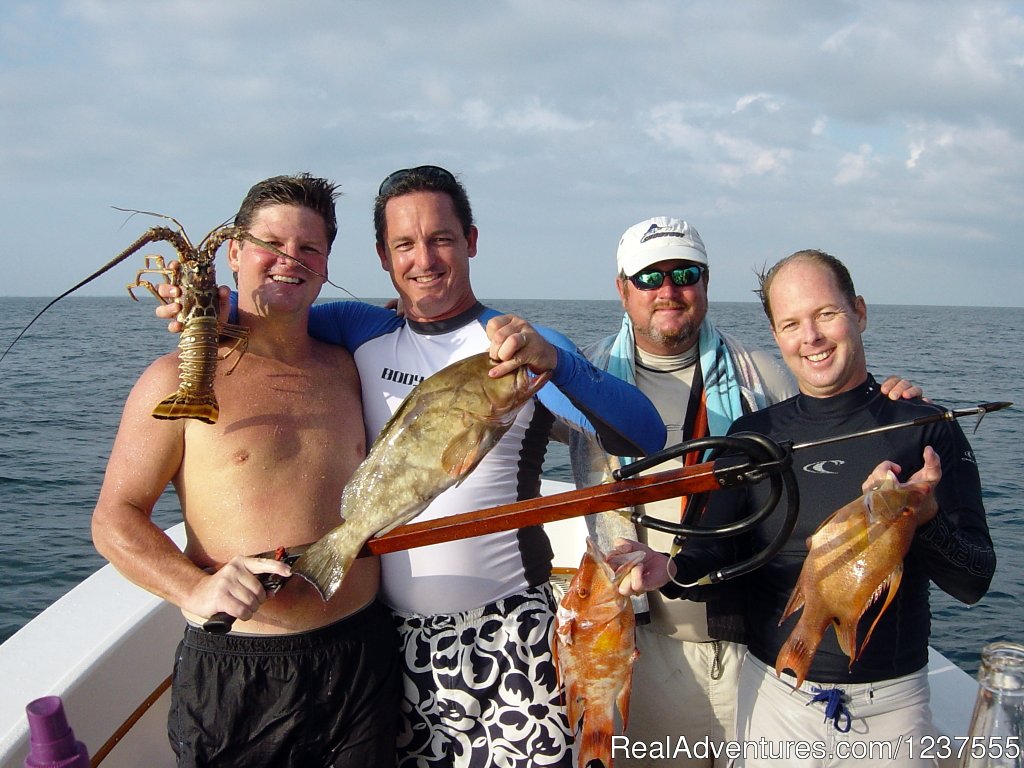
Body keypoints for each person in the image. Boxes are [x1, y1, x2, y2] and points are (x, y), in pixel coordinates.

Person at [160, 165, 667, 768]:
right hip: (389, 647)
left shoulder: (517, 349)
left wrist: (557, 361)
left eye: (442, 239)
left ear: (471, 241)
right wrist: (210, 310)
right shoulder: (358, 330)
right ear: (381, 255)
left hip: (511, 635)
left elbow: (644, 434)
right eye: (404, 243)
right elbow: (275, 321)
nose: (423, 258)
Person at [613, 249, 995, 767]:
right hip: (774, 696)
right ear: (775, 335)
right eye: (791, 323)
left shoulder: (926, 428)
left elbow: (974, 581)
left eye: (827, 315)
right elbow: (719, 544)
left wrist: (923, 523)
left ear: (859, 312)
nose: (810, 337)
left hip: (894, 706)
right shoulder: (756, 436)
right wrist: (672, 567)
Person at [570, 219, 922, 768]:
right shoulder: (583, 383)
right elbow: (498, 427)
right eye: (649, 277)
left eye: (685, 273)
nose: (669, 290)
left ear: (706, 283)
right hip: (649, 647)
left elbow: (833, 414)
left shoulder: (765, 375)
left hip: (753, 647)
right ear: (622, 288)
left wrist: (891, 402)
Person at [92, 174, 401, 768]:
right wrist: (195, 587)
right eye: (271, 243)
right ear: (233, 252)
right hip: (240, 672)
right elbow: (114, 518)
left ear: (327, 262)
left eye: (309, 249)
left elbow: (429, 326)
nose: (290, 260)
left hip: (364, 654)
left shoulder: (354, 367)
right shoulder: (176, 378)